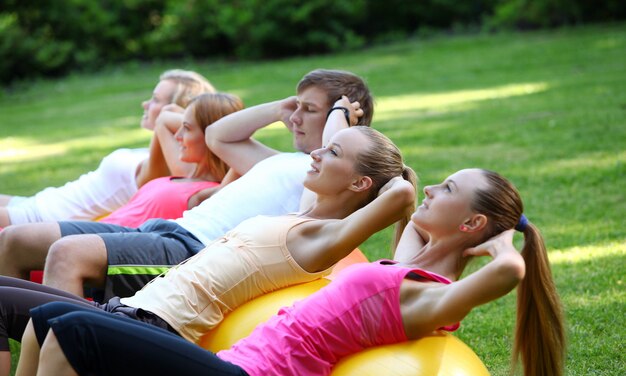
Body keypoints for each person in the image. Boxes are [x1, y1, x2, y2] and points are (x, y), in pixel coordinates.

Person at [10, 169, 565, 376]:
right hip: (234, 367)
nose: (433, 188)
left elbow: (507, 276)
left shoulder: (423, 295)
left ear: (470, 225)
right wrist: (414, 197)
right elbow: (405, 203)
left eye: (449, 189)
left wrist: (503, 250)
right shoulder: (404, 267)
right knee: (56, 313)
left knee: (75, 327)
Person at [0, 124, 416, 376]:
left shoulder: (321, 238)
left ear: (361, 185)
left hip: (156, 323)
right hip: (130, 307)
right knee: (35, 315)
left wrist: (401, 182)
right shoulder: (306, 215)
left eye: (334, 152)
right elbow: (360, 179)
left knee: (62, 324)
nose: (319, 151)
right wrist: (346, 139)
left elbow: (396, 198)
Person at [0, 69, 374, 301]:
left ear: (339, 120)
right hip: (165, 230)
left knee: (67, 253)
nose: (295, 117)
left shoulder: (327, 176)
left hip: (193, 251)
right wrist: (281, 107)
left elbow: (334, 162)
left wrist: (342, 119)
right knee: (15, 240)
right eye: (297, 107)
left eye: (308, 110)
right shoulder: (280, 161)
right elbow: (219, 135)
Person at [0, 70, 216, 228]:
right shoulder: (152, 153)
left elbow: (182, 175)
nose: (145, 104)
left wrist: (172, 118)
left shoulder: (166, 167)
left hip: (40, 219)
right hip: (37, 202)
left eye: (156, 100)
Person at [98, 92, 243, 228]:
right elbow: (164, 118)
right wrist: (193, 120)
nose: (177, 135)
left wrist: (216, 134)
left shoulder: (211, 193)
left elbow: (249, 156)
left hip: (102, 245)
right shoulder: (185, 173)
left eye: (186, 128)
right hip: (92, 232)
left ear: (210, 136)